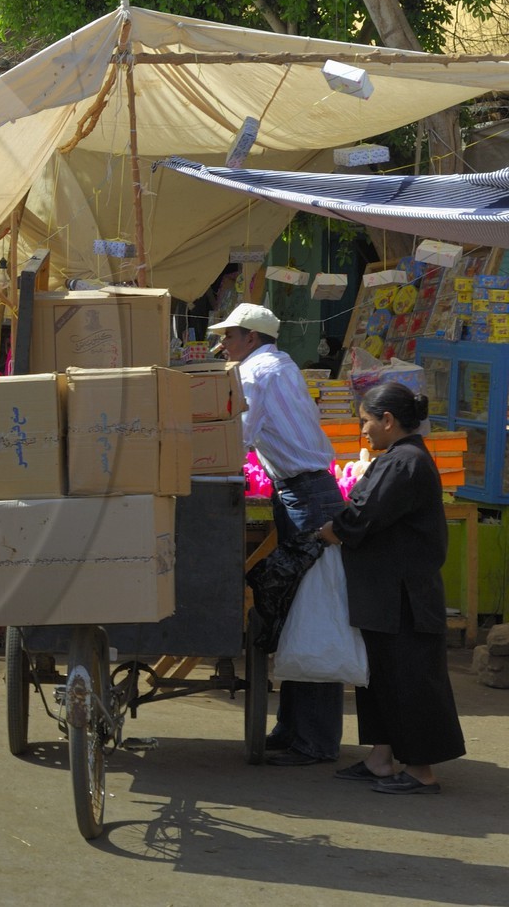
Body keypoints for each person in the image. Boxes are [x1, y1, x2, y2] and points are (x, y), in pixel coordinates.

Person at [316, 384, 465, 794]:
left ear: (387, 420)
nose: (362, 429)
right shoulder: (398, 459)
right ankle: (381, 758)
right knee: (382, 677)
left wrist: (333, 531)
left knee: (411, 679)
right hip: (387, 592)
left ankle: (421, 771)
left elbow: (364, 515)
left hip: (405, 595)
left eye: (366, 420)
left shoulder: (405, 462)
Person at [214, 302, 344, 767]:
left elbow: (234, 441)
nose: (222, 344)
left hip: (306, 495)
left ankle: (313, 739)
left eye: (228, 336)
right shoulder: (280, 365)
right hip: (306, 491)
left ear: (251, 337)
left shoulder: (256, 373)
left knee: (310, 612)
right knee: (297, 610)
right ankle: (295, 730)